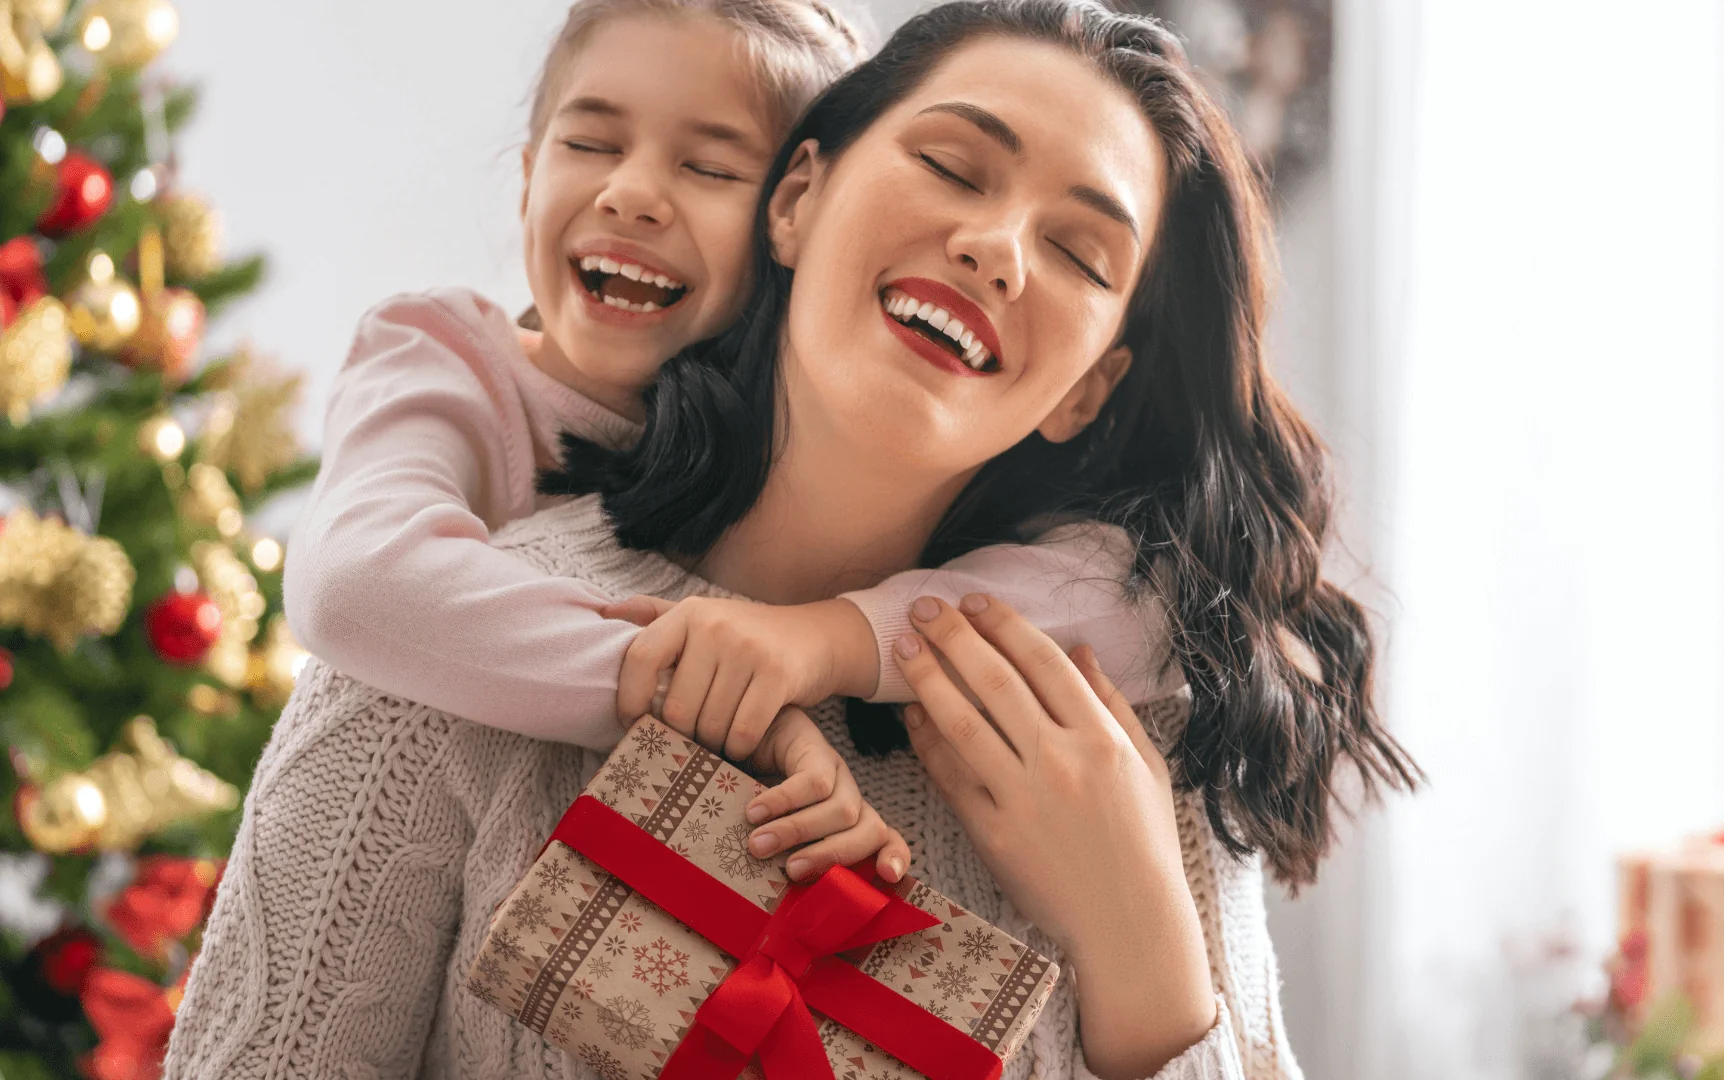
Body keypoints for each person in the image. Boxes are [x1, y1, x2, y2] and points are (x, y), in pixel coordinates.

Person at [166, 2, 1416, 1077]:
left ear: (1091, 386)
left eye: (1081, 252)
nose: (996, 246)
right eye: (954, 166)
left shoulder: (1119, 729)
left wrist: (1150, 970)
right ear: (800, 198)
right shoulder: (465, 641)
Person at [287, 0, 1183, 886]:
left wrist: (819, 643)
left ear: (781, 219)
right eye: (591, 144)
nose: (630, 193)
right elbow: (355, 584)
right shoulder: (443, 359)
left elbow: (1152, 605)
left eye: (711, 168)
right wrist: (726, 700)